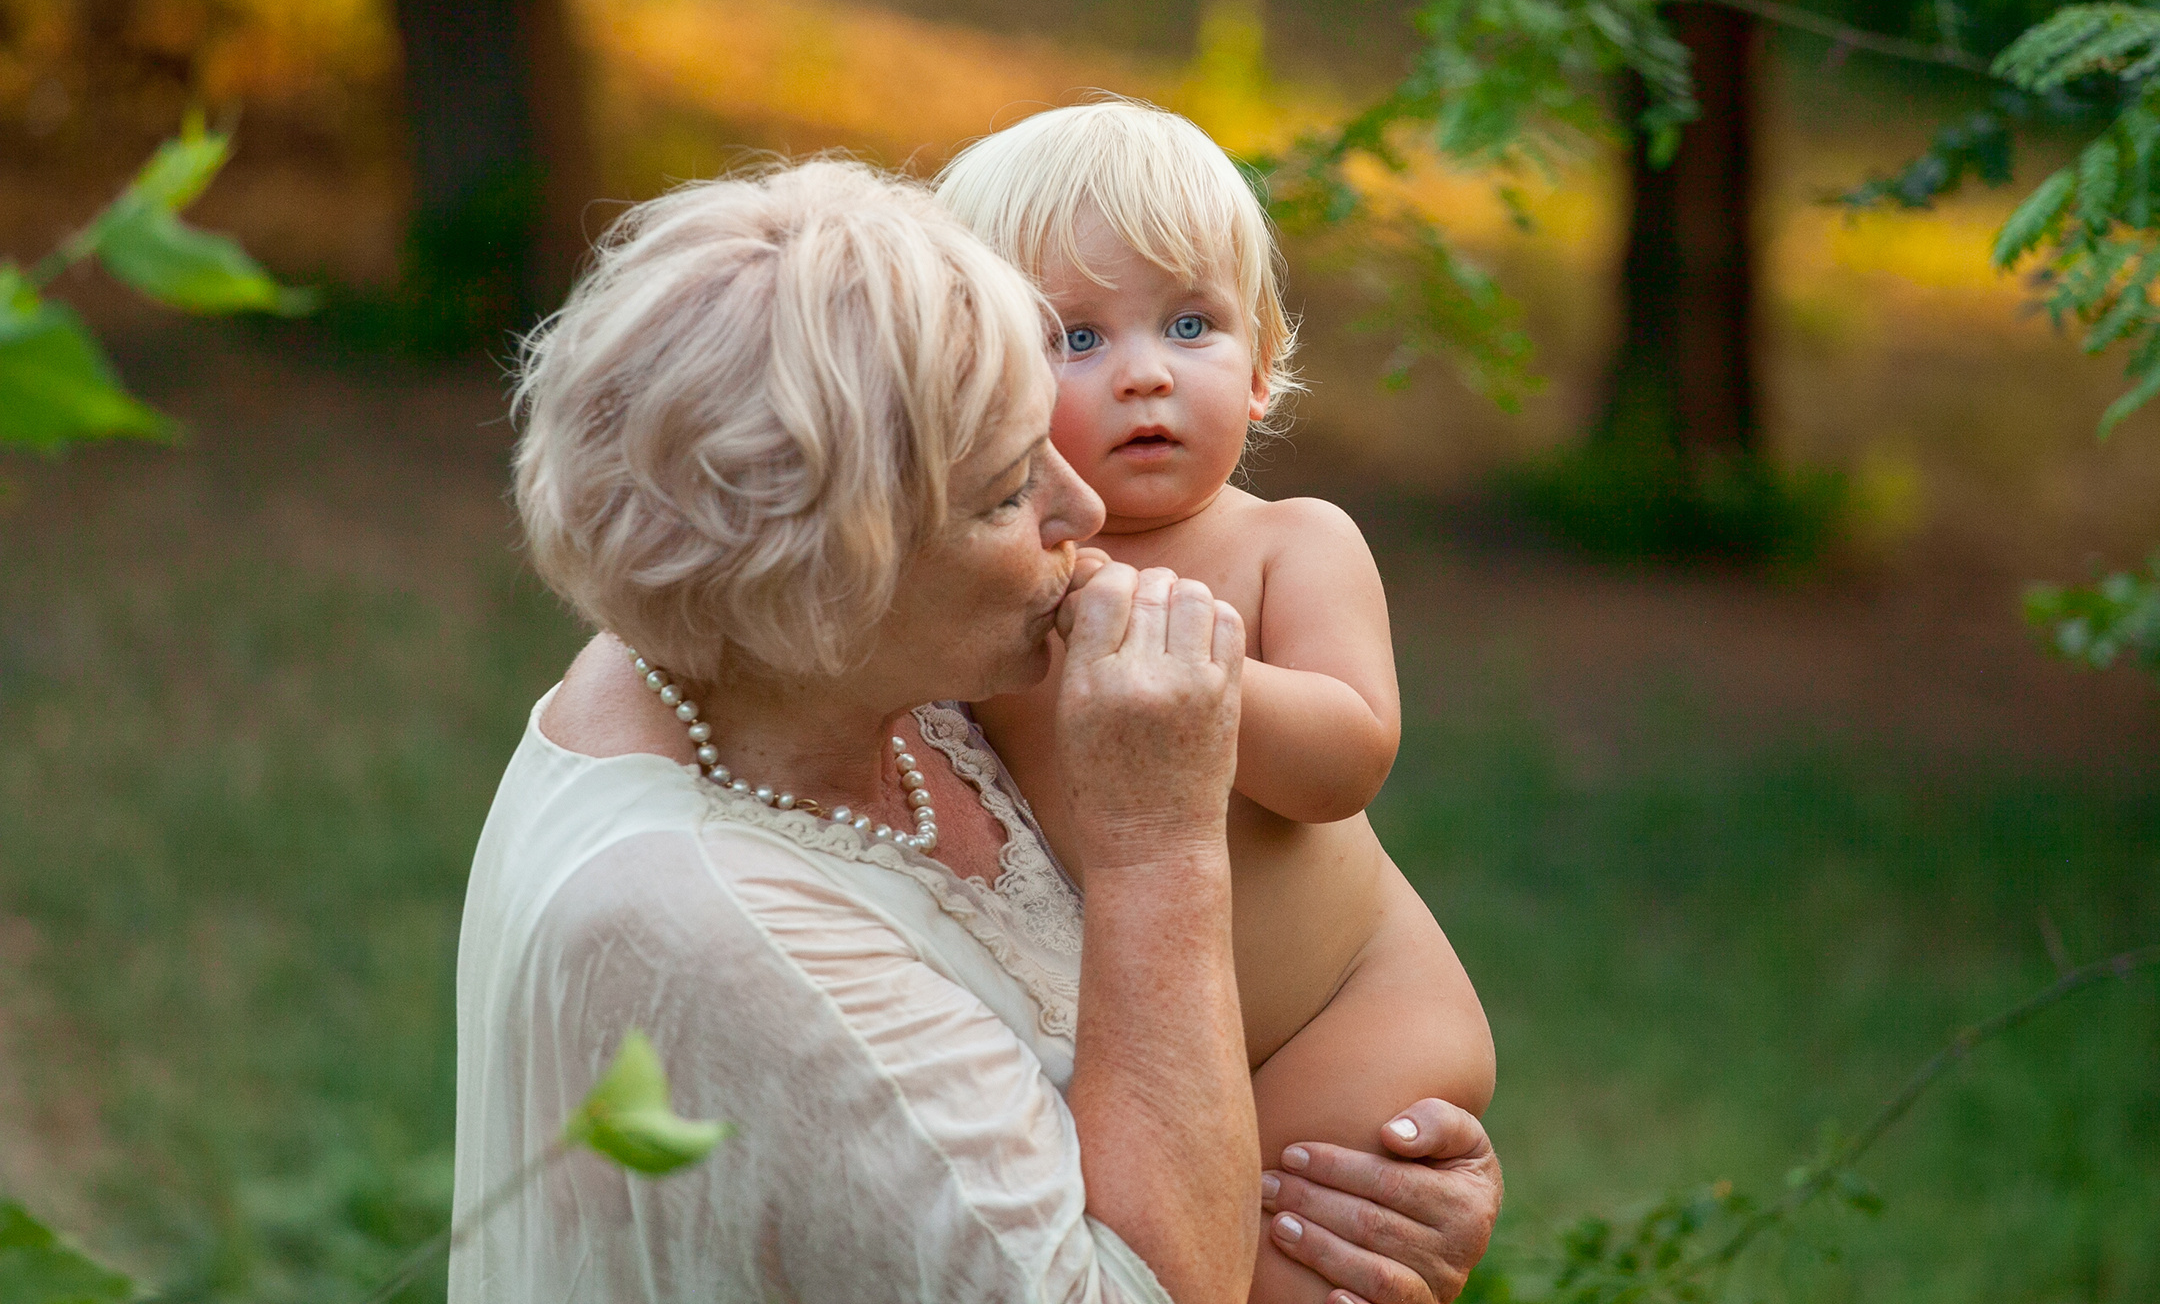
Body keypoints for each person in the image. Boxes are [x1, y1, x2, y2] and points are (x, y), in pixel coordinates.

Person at [456, 156, 1502, 1304]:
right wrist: (1156, 846)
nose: (1087, 513)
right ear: (838, 567)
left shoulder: (799, 666)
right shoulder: (731, 939)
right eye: (1009, 491)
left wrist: (1373, 1207)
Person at [938, 101, 1498, 1304]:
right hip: (1155, 1038)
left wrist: (1189, 661)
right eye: (1073, 339)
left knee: (1255, 1268)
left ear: (1257, 369)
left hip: (1351, 1007)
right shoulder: (992, 586)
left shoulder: (1289, 545)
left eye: (1189, 323)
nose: (1144, 370)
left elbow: (1346, 761)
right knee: (1143, 1246)